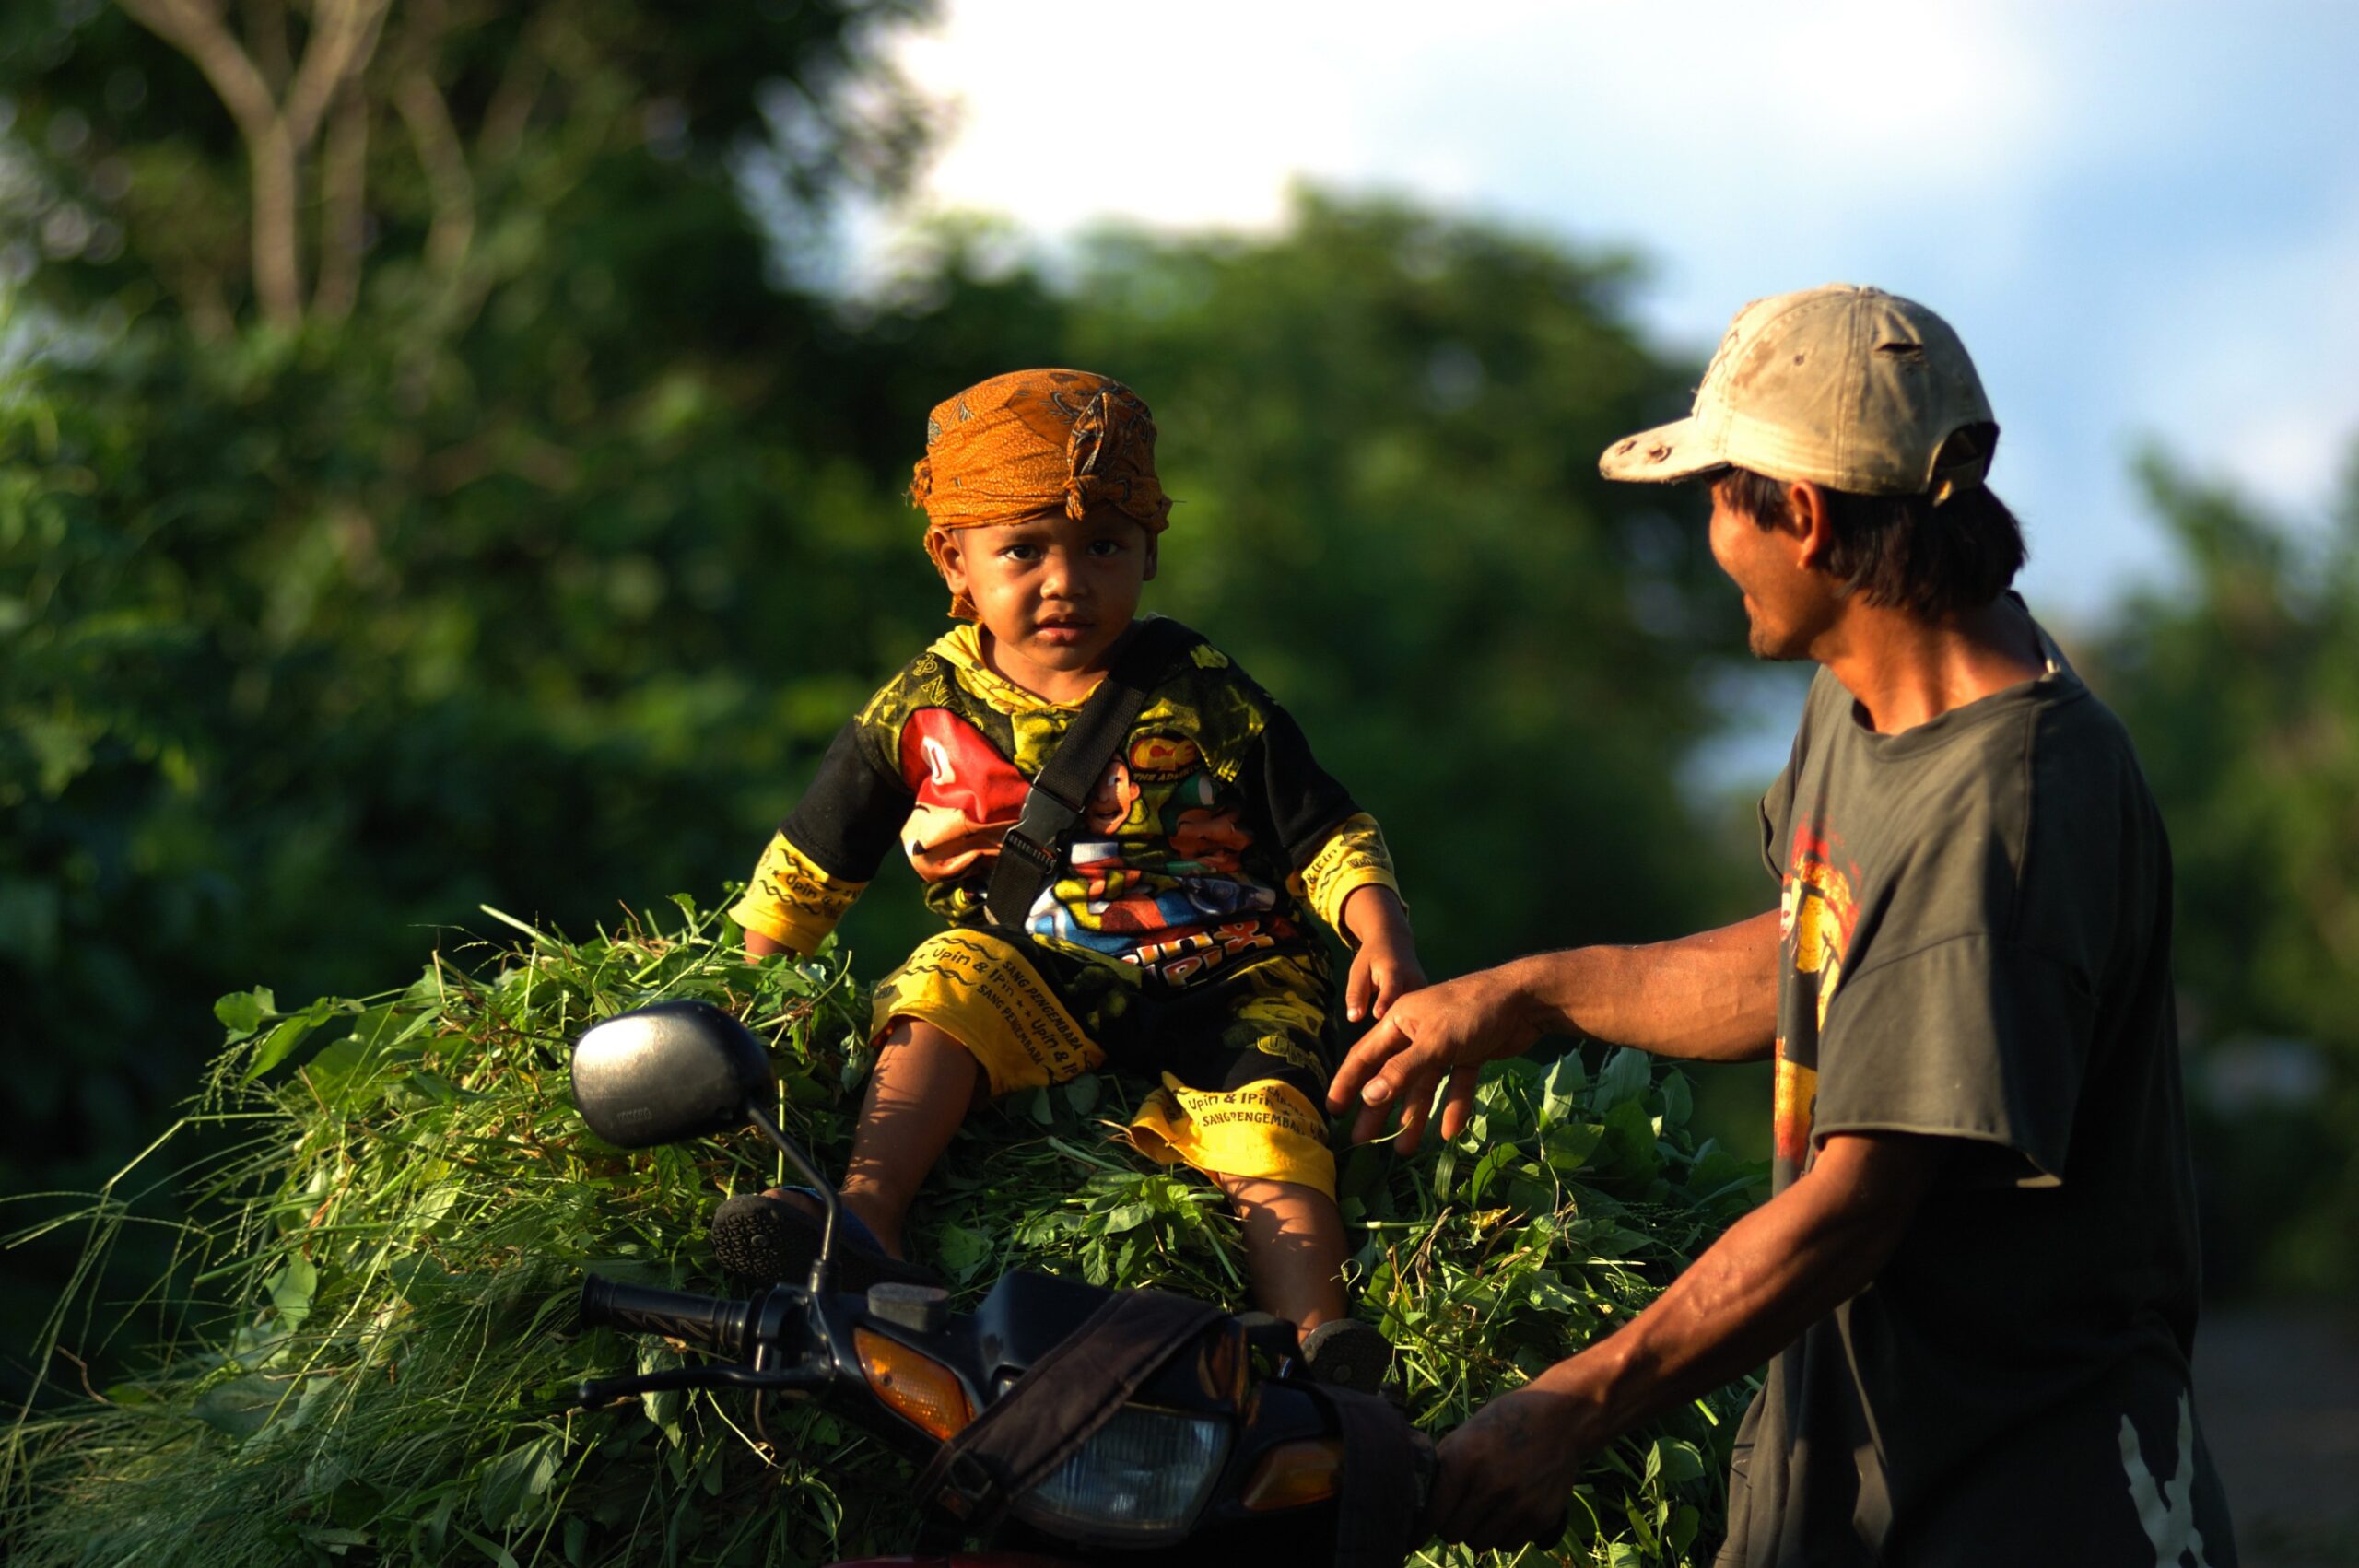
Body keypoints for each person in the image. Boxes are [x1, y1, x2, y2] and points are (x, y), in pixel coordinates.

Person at [1328, 287, 2237, 1562]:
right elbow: (1813, 957)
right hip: (1859, 1481)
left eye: (1716, 497)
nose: (1710, 536)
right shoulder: (1856, 705)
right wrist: (1525, 995)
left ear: (1801, 517)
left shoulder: (2010, 809)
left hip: (2014, 1496)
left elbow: (1859, 1202)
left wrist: (1570, 1408)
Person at [723, 368, 1423, 1387]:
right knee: (941, 979)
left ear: (1148, 554)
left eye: (1102, 546)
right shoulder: (920, 705)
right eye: (1023, 550)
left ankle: (1319, 1340)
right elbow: (813, 862)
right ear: (952, 560)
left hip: (1229, 972)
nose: (1066, 581)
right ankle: (864, 1217)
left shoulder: (1200, 688)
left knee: (1269, 1121)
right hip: (1043, 968)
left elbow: (1321, 826)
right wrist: (752, 997)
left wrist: (1380, 932)